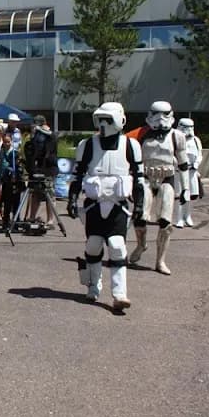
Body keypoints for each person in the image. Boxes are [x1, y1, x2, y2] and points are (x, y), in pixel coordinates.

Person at [67, 102, 143, 309]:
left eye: (107, 119)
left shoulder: (130, 145)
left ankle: (120, 294)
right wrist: (72, 199)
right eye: (99, 119)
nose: (103, 124)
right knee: (93, 245)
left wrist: (140, 205)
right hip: (94, 204)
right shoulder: (87, 145)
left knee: (117, 246)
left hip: (118, 205)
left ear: (120, 120)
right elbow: (77, 174)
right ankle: (93, 286)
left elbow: (139, 178)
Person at [127, 101, 189, 275]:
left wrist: (185, 189)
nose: (160, 119)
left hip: (166, 180)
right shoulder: (141, 134)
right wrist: (130, 183)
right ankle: (141, 245)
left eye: (164, 114)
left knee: (165, 223)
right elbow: (131, 161)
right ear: (149, 114)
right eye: (155, 113)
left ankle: (160, 261)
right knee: (139, 217)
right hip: (146, 179)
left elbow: (183, 165)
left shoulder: (177, 136)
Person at [24, 115, 58, 227]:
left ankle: (50, 220)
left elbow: (52, 141)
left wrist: (43, 131)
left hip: (49, 169)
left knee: (49, 194)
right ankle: (32, 217)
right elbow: (33, 151)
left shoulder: (50, 135)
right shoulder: (36, 137)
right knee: (36, 194)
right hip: (37, 168)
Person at [174, 118, 203, 228]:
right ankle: (179, 218)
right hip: (179, 172)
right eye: (186, 127)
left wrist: (196, 164)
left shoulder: (196, 140)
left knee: (192, 195)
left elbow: (199, 154)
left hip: (192, 172)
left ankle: (188, 216)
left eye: (191, 127)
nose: (189, 129)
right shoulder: (175, 139)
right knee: (180, 195)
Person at [0, 133, 24, 232]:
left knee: (15, 203)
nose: (7, 143)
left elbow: (18, 168)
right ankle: (5, 223)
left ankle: (16, 223)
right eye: (5, 142)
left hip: (14, 181)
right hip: (5, 181)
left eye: (8, 142)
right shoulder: (2, 151)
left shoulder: (15, 153)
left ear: (11, 142)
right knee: (6, 203)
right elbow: (0, 166)